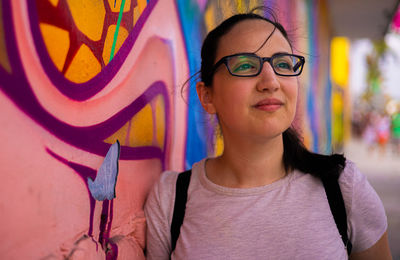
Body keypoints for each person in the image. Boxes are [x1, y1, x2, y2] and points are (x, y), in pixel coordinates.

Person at [144, 9, 391, 259]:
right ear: (207, 96)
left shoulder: (343, 187)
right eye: (245, 65)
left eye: (283, 64)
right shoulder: (170, 198)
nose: (271, 81)